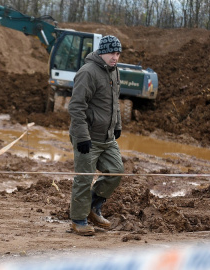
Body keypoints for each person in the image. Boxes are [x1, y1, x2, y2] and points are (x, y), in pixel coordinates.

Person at [67, 35, 125, 236]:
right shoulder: (87, 73)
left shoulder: (115, 71)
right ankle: (78, 220)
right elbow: (76, 107)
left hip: (107, 137)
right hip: (88, 137)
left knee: (116, 171)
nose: (115, 57)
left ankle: (93, 207)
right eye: (111, 53)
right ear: (102, 52)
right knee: (84, 178)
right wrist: (82, 137)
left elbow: (115, 102)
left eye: (117, 54)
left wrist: (117, 125)